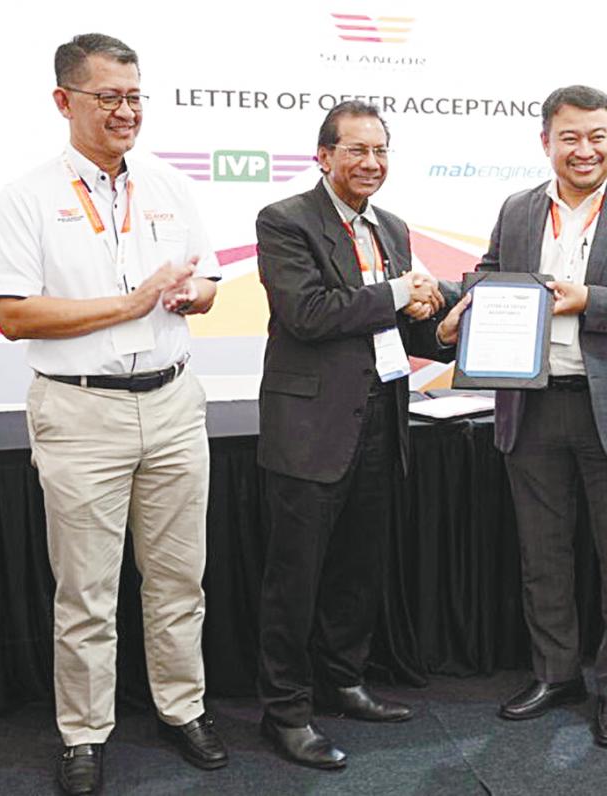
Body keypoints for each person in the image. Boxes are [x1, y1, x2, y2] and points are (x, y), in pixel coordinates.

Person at [0, 33, 227, 795]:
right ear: (64, 102)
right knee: (86, 591)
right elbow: (15, 315)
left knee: (179, 578)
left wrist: (192, 295)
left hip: (174, 400)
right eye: (108, 97)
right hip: (80, 411)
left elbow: (211, 281)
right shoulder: (26, 196)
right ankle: (84, 735)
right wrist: (131, 302)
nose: (126, 111)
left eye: (134, 96)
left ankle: (181, 708)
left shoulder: (168, 184)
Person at [438, 85, 607, 746]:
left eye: (597, 136)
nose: (585, 150)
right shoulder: (520, 209)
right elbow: (490, 275)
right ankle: (555, 672)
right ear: (546, 142)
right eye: (571, 137)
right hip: (531, 408)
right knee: (543, 559)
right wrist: (461, 307)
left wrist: (592, 300)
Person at [254, 100, 461, 770]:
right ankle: (285, 712)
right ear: (324, 157)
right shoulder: (286, 221)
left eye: (380, 151)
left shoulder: (392, 227)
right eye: (355, 151)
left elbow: (401, 327)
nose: (370, 163)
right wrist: (403, 292)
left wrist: (447, 327)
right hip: (311, 428)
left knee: (357, 567)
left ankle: (343, 681)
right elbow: (309, 314)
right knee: (296, 577)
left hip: (382, 422)